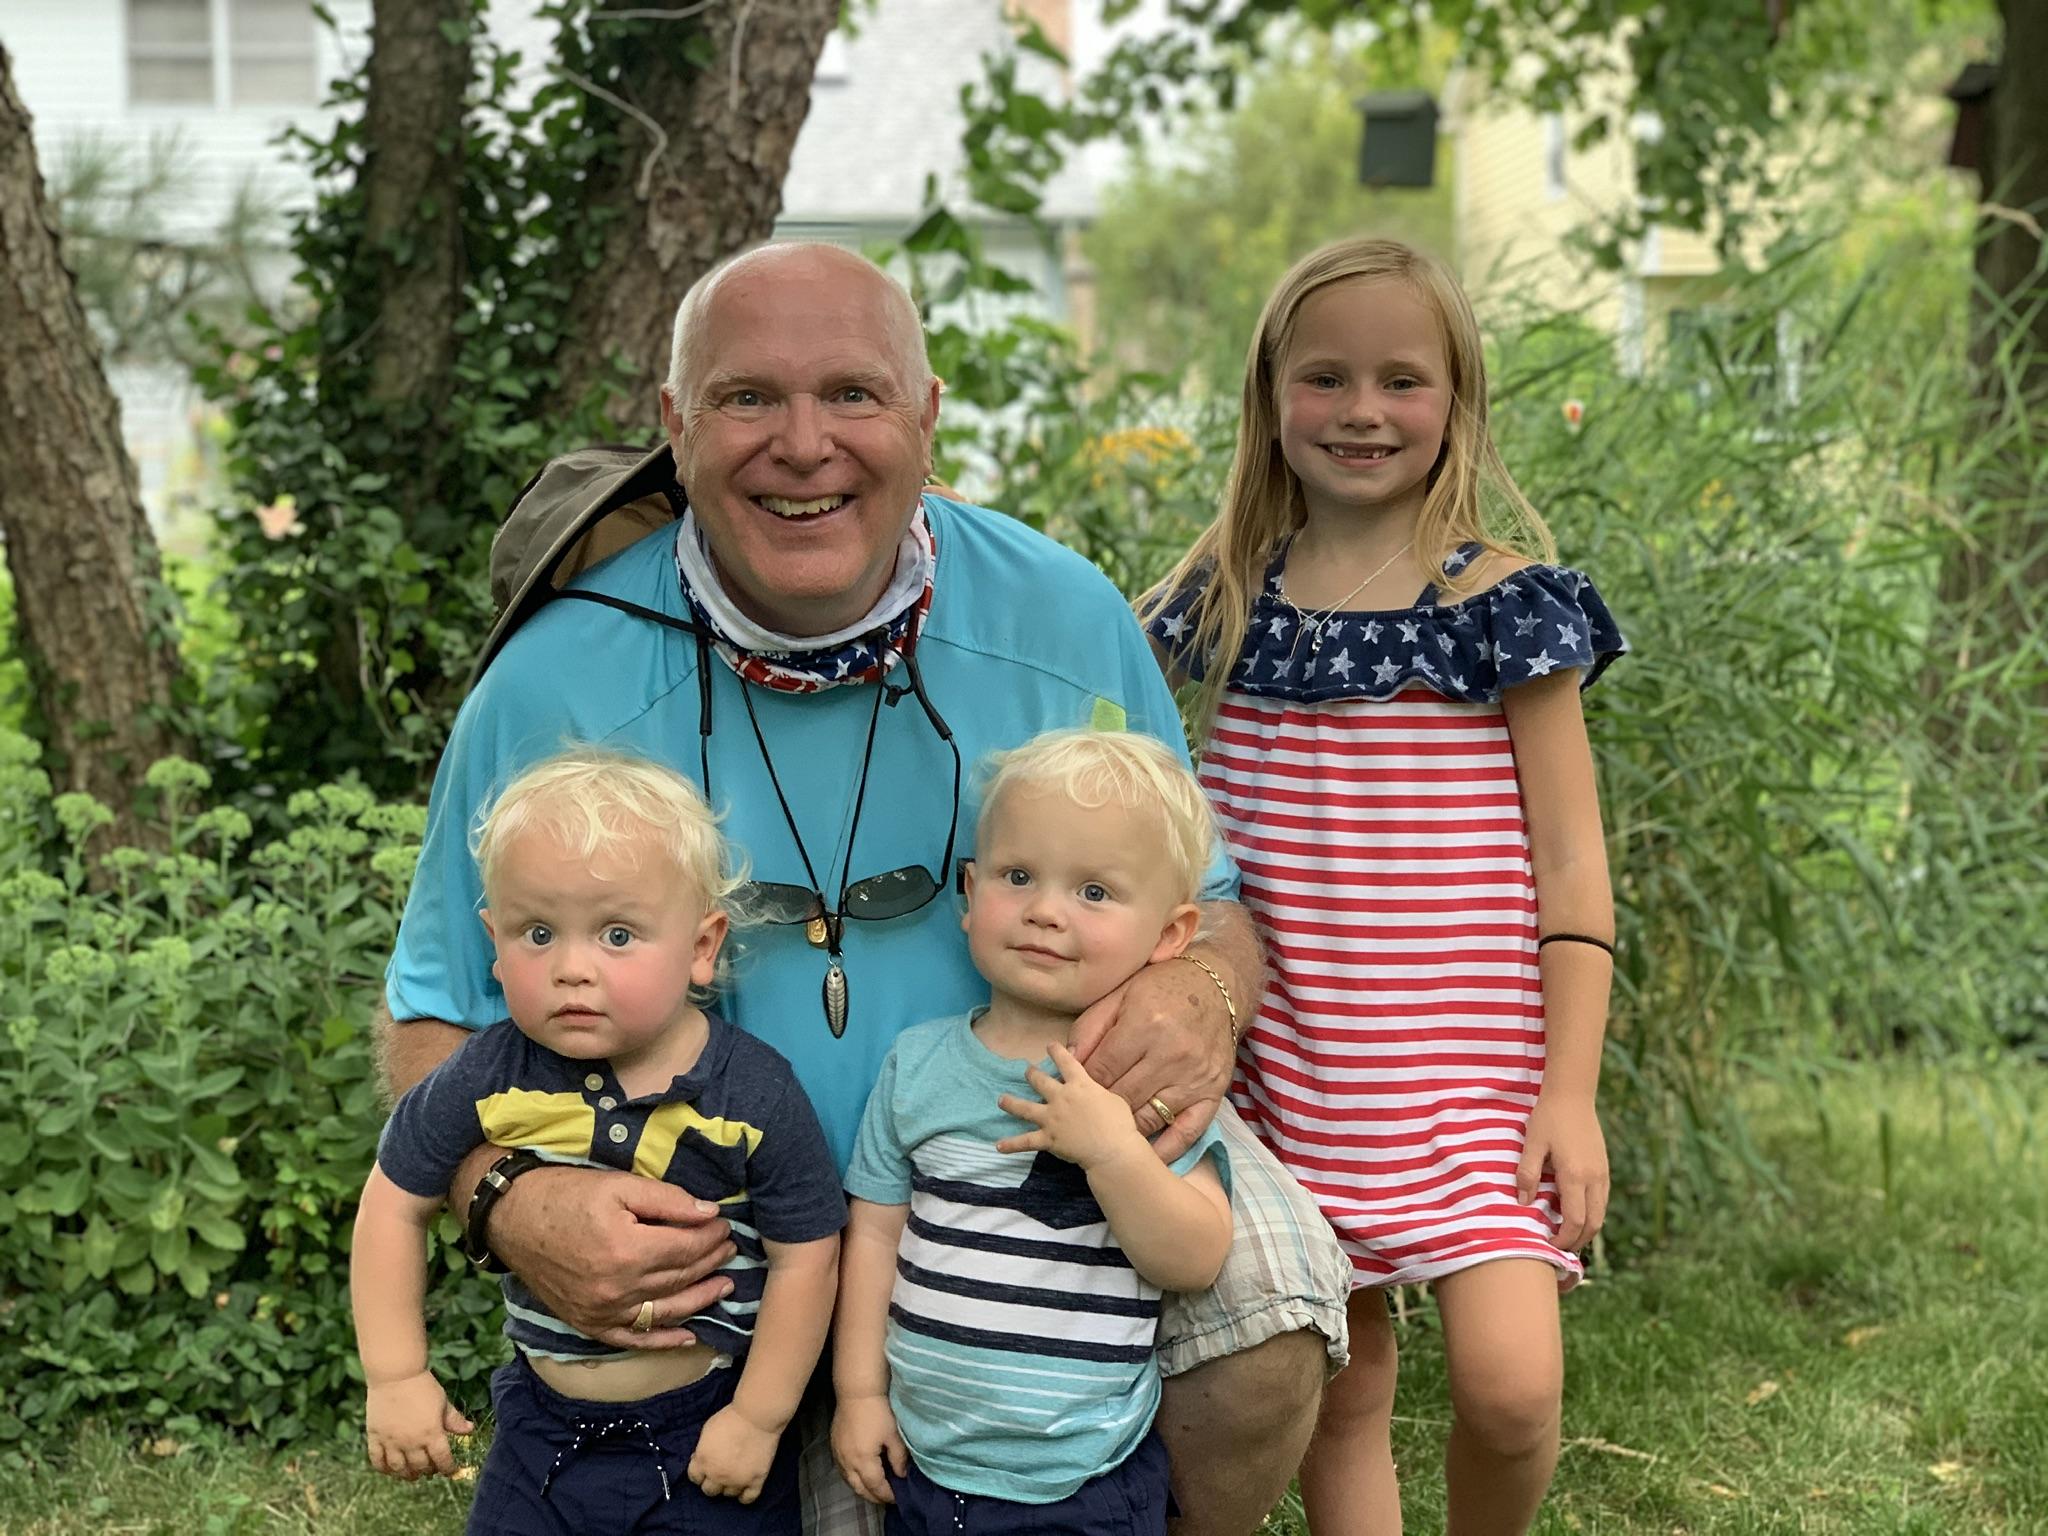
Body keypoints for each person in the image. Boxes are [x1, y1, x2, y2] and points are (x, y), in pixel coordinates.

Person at [379, 241, 1351, 1535]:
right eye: (746, 399)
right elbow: (434, 1009)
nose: (804, 445)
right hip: (704, 1227)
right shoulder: (553, 677)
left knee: (1267, 1316)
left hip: (1021, 1167)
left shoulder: (1063, 616)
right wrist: (507, 1196)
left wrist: (1203, 993)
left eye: (852, 394)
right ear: (675, 424)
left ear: (926, 415)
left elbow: (1210, 904)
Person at [1141, 237, 1627, 1536]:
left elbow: (1573, 865)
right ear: (1270, 398)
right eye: (1326, 378)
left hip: (1472, 1086)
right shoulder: (1218, 599)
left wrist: (1569, 1092)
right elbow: (1106, 730)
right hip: (1291, 1071)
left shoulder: (1504, 607)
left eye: (1402, 380)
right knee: (1341, 1397)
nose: (1362, 410)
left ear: (1457, 400)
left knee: (1512, 1391)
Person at [354, 748, 845, 1532]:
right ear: (493, 940)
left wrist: (759, 1417)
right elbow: (391, 1201)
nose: (572, 969)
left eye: (617, 934)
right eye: (537, 933)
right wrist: (396, 1375)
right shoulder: (488, 1075)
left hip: (705, 1425)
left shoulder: (751, 1094)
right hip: (539, 1430)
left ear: (701, 947)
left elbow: (808, 1256)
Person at [832, 731, 1234, 1534]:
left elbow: (1195, 1258)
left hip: (1083, 1474)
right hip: (926, 1462)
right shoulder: (917, 1066)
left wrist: (1113, 1151)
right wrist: (860, 1394)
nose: (1046, 910)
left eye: (1095, 892)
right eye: (1018, 877)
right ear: (970, 891)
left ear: (1169, 935)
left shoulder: (1141, 1083)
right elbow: (873, 1237)